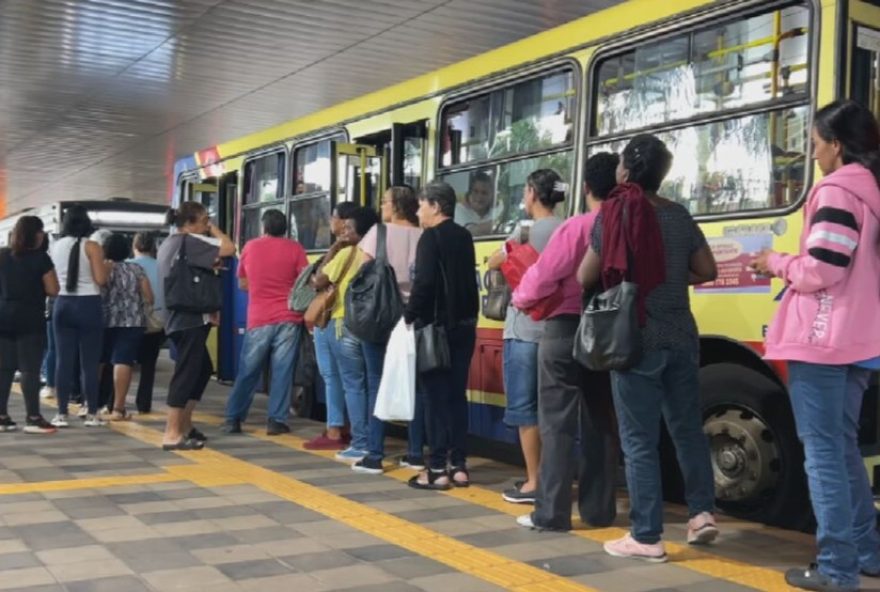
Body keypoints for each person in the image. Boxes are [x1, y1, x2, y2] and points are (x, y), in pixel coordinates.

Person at [751, 100, 880, 592]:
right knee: (842, 449)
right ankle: (866, 553)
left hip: (822, 339)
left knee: (823, 455)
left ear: (837, 145)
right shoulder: (872, 191)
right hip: (860, 340)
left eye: (815, 144)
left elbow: (823, 267)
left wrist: (777, 262)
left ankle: (836, 569)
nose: (814, 154)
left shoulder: (836, 191)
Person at [577, 135, 719, 562]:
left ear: (626, 170)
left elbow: (587, 275)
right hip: (681, 335)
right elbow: (707, 270)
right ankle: (702, 515)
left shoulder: (614, 211)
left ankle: (646, 535)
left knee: (639, 440)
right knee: (687, 430)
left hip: (636, 338)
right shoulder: (678, 214)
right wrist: (674, 280)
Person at [511, 153, 620, 530]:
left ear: (586, 187)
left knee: (556, 422)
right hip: (610, 331)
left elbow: (544, 275)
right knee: (601, 421)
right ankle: (599, 511)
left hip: (564, 329)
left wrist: (520, 299)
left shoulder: (577, 227)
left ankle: (552, 513)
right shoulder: (627, 225)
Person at [486, 170, 565, 503]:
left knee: (525, 408)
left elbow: (493, 263)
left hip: (524, 330)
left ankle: (534, 482)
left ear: (532, 192)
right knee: (552, 410)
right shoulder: (568, 228)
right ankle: (551, 476)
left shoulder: (525, 230)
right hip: (559, 330)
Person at [405, 182, 479, 489]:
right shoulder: (464, 236)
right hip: (464, 327)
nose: (418, 210)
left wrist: (407, 318)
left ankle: (435, 469)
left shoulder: (430, 238)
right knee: (456, 396)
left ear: (436, 206)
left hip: (436, 331)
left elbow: (424, 285)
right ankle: (458, 464)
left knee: (434, 398)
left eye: (421, 204)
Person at [350, 186, 425, 474]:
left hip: (380, 317)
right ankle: (416, 453)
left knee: (376, 382)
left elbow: (365, 273)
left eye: (384, 202)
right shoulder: (424, 236)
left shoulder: (378, 233)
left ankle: (375, 454)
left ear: (396, 207)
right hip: (411, 318)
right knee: (413, 384)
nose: (381, 206)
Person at [223, 209, 308, 435]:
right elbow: (305, 282)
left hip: (259, 317)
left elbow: (242, 283)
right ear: (285, 228)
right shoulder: (296, 249)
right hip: (289, 317)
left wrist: (261, 288)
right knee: (282, 370)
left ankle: (233, 418)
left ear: (264, 227)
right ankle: (276, 421)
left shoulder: (250, 247)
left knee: (249, 370)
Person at [157, 202, 234, 450]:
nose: (206, 224)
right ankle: (172, 432)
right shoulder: (190, 241)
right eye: (204, 220)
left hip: (180, 317)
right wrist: (216, 230)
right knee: (187, 372)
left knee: (202, 370)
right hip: (187, 319)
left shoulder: (169, 243)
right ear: (190, 223)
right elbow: (229, 248)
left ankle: (185, 425)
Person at [313, 207, 379, 462]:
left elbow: (319, 279)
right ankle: (372, 439)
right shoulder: (376, 253)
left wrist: (334, 248)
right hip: (369, 324)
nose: (344, 232)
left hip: (342, 324)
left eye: (350, 229)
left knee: (353, 384)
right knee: (369, 383)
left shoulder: (350, 253)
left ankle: (360, 442)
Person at [49, 205, 111, 428]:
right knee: (89, 362)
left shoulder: (56, 246)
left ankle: (61, 413)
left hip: (62, 303)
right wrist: (108, 268)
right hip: (88, 304)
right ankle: (91, 412)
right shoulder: (92, 246)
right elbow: (101, 280)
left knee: (63, 361)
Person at [304, 201, 358, 451]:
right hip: (352, 319)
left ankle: (335, 429)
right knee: (350, 378)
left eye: (333, 217)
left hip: (333, 318)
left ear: (345, 222)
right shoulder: (365, 249)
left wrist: (334, 247)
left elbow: (319, 279)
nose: (330, 221)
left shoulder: (345, 251)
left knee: (332, 375)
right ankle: (346, 427)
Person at [0, 216, 60, 433]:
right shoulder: (40, 258)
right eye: (40, 231)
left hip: (3, 317)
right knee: (29, 370)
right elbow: (54, 289)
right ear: (35, 234)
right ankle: (33, 417)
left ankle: (2, 416)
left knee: (4, 369)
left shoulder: (2, 255)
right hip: (29, 319)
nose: (42, 234)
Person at [100, 233, 153, 421]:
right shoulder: (136, 269)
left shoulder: (102, 269)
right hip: (132, 322)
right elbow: (149, 297)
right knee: (123, 361)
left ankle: (91, 404)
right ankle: (118, 408)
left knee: (101, 362)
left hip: (105, 321)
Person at [129, 232, 164, 414]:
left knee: (122, 361)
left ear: (134, 247)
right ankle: (144, 403)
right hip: (155, 323)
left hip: (128, 322)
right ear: (153, 248)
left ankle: (113, 402)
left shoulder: (125, 266)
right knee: (148, 366)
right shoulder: (162, 267)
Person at [454, 171, 497, 236]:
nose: (479, 197)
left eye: (484, 193)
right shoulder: (458, 210)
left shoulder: (498, 209)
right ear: (470, 192)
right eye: (475, 191)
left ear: (491, 196)